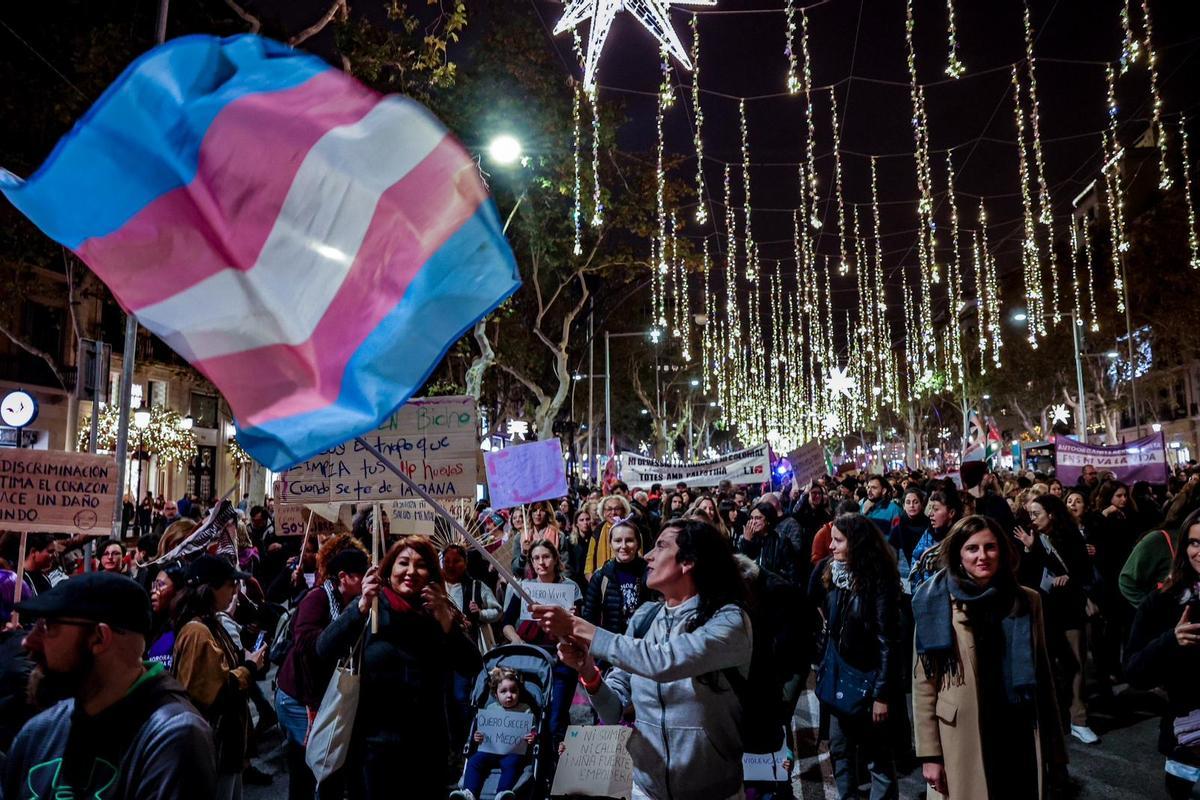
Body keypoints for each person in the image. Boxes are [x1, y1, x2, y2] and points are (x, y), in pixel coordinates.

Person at [534, 518, 752, 800]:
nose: (648, 554)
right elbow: (613, 711)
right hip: (646, 790)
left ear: (688, 562)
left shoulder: (729, 621)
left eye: (660, 546)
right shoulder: (645, 618)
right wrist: (587, 670)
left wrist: (577, 625)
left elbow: (663, 662)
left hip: (714, 790)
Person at [3, 572, 217, 799]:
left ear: (98, 638)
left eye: (48, 626)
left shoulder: (173, 738)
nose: (28, 641)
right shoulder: (40, 730)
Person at [911, 515, 1066, 798]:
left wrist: (1055, 749)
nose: (982, 556)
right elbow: (923, 685)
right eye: (972, 548)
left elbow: (1043, 676)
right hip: (963, 734)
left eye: (990, 547)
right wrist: (930, 755)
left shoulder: (1027, 600)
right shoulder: (934, 602)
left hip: (1017, 729)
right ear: (958, 554)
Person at [316, 535, 481, 798]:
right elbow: (323, 648)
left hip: (427, 749)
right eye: (403, 563)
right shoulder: (371, 608)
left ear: (431, 573)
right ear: (389, 568)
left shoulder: (438, 611)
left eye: (420, 565)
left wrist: (446, 621)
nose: (411, 572)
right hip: (374, 748)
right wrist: (359, 607)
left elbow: (472, 665)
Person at [809, 513, 901, 800]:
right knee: (840, 749)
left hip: (869, 680)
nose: (831, 547)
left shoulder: (878, 580)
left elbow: (887, 640)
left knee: (877, 757)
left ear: (857, 543)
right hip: (839, 677)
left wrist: (882, 695)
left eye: (838, 540)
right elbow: (813, 600)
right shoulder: (832, 573)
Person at [275, 538, 368, 800]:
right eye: (361, 575)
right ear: (344, 577)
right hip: (299, 697)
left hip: (324, 697)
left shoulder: (352, 601)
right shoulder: (317, 599)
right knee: (312, 761)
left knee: (324, 762)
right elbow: (310, 647)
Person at [172, 555, 267, 800]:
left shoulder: (210, 623)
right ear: (211, 589)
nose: (235, 590)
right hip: (215, 744)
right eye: (230, 584)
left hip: (226, 745)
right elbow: (210, 693)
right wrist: (249, 666)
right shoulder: (197, 631)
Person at [1124, 507, 1200, 798]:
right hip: (1188, 741)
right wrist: (1170, 641)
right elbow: (1133, 672)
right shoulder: (1163, 602)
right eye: (1195, 543)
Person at [1016, 493, 1097, 744]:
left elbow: (1081, 571)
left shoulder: (1071, 536)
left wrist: (1068, 578)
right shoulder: (1030, 537)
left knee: (1076, 665)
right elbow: (1027, 575)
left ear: (1051, 514)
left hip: (1070, 609)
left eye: (1036, 513)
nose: (1033, 518)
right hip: (1044, 610)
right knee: (1047, 666)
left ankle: (1079, 720)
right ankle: (1052, 717)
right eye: (1030, 514)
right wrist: (1031, 549)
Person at [501, 539, 582, 743]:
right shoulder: (524, 588)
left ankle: (557, 759)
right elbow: (506, 623)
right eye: (536, 558)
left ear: (555, 559)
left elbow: (582, 628)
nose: (541, 562)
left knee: (556, 716)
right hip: (529, 658)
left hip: (561, 658)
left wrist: (572, 618)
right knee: (532, 712)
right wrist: (516, 640)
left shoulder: (570, 588)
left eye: (546, 556)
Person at [442, 542, 502, 757]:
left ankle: (466, 744)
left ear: (465, 563)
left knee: (462, 699)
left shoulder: (477, 587)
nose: (451, 565)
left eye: (456, 561)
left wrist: (480, 614)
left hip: (467, 651)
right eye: (447, 561)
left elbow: (497, 611)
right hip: (440, 654)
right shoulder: (435, 586)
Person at [450, 667, 538, 800]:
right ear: (496, 695)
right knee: (474, 761)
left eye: (513, 691)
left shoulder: (525, 710)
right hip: (491, 749)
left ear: (519, 692)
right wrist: (477, 737)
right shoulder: (490, 709)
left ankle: (502, 793)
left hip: (512, 751)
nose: (509, 695)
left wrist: (532, 737)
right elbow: (483, 732)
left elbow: (533, 730)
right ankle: (469, 792)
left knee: (512, 764)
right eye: (503, 691)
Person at [583, 520, 650, 634]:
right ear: (610, 543)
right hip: (610, 644)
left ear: (638, 543)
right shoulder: (601, 576)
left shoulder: (649, 573)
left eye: (629, 540)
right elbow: (590, 616)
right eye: (618, 541)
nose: (623, 546)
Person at [908, 490, 964, 592]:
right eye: (930, 509)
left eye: (936, 509)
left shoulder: (962, 539)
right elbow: (915, 562)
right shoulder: (928, 534)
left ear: (951, 513)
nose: (930, 514)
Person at [737, 501, 799, 585]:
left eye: (758, 518)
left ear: (768, 520)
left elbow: (791, 572)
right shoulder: (746, 539)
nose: (753, 522)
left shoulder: (781, 540)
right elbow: (743, 566)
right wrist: (746, 541)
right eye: (751, 518)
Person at [147, 564, 186, 669]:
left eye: (160, 585)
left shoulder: (186, 630)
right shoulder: (154, 627)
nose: (153, 590)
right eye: (153, 585)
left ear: (178, 590)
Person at [586, 494, 632, 577]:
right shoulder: (598, 530)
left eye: (617, 509)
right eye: (609, 509)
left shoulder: (632, 529)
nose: (613, 513)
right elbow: (589, 561)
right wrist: (592, 580)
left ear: (624, 510)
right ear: (603, 512)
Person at [512, 501, 561, 576]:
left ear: (548, 513)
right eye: (535, 510)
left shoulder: (559, 536)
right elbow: (515, 570)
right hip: (528, 584)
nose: (538, 513)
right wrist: (523, 554)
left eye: (542, 510)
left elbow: (565, 567)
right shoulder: (520, 537)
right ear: (530, 513)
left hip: (553, 584)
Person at [862, 475, 902, 541]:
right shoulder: (863, 506)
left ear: (883, 491)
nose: (869, 490)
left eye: (874, 488)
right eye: (868, 487)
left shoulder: (894, 510)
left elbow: (897, 537)